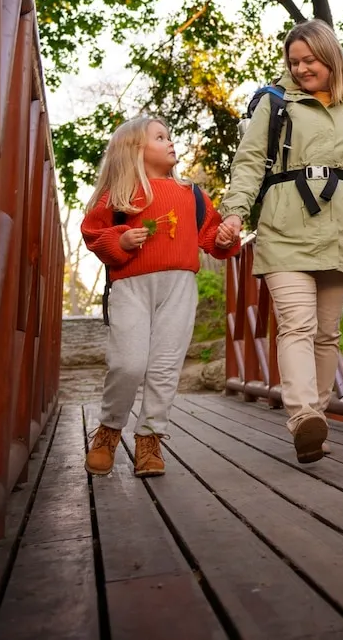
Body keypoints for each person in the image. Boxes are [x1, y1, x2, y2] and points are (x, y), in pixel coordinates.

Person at [220, 19, 343, 462]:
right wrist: (235, 212)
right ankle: (302, 417)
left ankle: (314, 420)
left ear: (330, 57)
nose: (300, 69)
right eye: (294, 62)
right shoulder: (274, 103)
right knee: (297, 323)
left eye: (309, 60)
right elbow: (250, 160)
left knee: (326, 334)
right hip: (285, 228)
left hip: (342, 231)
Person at [81, 116, 241, 477]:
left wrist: (224, 239)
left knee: (166, 366)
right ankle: (108, 430)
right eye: (160, 137)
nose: (171, 142)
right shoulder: (120, 195)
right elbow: (93, 232)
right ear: (134, 148)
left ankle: (149, 438)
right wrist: (119, 241)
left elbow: (211, 237)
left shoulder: (192, 194)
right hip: (130, 286)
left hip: (180, 287)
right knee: (128, 363)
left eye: (169, 135)